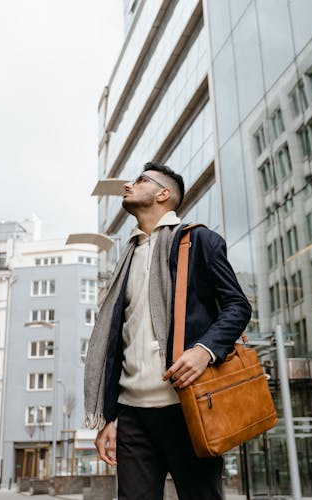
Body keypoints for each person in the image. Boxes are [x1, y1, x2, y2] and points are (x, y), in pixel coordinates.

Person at [83, 163, 252, 499]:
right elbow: (118, 342)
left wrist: (203, 350)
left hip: (188, 406)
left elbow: (238, 306)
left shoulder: (198, 241)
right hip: (132, 414)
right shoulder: (126, 259)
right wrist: (108, 419)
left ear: (163, 194)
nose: (128, 185)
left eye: (140, 180)